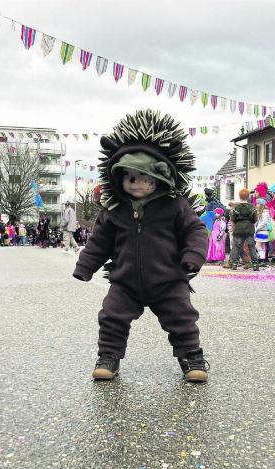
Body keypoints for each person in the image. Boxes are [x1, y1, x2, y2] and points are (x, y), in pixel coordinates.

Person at [73, 109, 209, 383]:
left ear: (160, 177)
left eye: (144, 177)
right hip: (125, 281)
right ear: (119, 177)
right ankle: (109, 356)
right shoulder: (114, 209)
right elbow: (100, 241)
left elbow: (196, 230)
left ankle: (191, 357)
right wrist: (85, 265)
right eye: (129, 176)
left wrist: (193, 254)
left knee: (182, 319)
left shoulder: (175, 205)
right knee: (111, 317)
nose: (135, 183)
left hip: (169, 280)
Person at [230, 188, 260, 271]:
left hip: (238, 228)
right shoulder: (252, 207)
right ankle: (255, 265)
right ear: (248, 197)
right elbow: (255, 219)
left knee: (236, 247)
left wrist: (234, 227)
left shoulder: (236, 207)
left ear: (240, 196)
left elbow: (233, 219)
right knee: (251, 246)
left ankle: (234, 264)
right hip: (249, 228)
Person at [254, 198, 271, 264]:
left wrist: (257, 228)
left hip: (262, 231)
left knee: (257, 246)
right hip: (263, 231)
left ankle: (261, 257)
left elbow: (264, 222)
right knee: (262, 246)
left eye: (258, 203)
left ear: (261, 205)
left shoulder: (264, 213)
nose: (256, 205)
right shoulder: (264, 212)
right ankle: (262, 259)